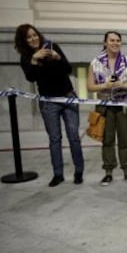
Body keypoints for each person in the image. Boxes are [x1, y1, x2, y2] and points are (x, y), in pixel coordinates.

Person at [14, 24, 85, 187]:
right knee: (54, 139)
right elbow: (31, 78)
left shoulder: (53, 47)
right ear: (24, 41)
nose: (33, 39)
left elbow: (67, 69)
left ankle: (79, 171)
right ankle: (58, 174)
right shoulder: (26, 57)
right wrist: (34, 59)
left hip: (67, 97)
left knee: (74, 136)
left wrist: (57, 58)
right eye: (29, 37)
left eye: (35, 35)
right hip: (48, 102)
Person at [87, 31, 127, 186]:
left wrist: (123, 85)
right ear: (105, 42)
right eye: (112, 40)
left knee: (125, 139)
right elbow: (90, 87)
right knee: (107, 140)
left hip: (124, 105)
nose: (115, 43)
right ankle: (108, 172)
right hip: (104, 106)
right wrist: (106, 85)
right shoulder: (95, 62)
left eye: (118, 40)